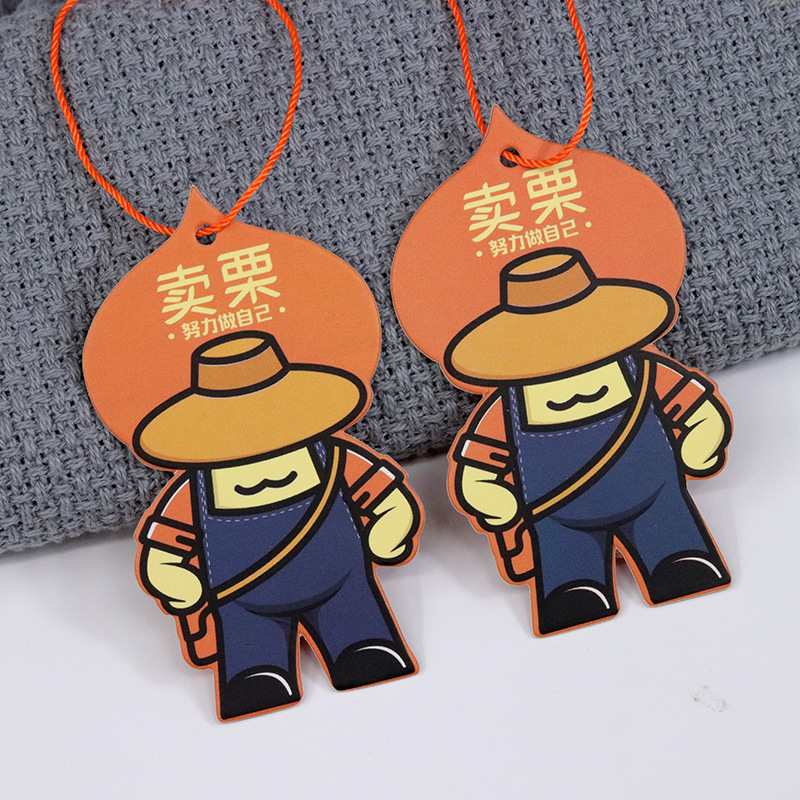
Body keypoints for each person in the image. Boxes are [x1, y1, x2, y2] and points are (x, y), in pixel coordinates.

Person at [132, 331, 422, 719]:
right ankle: (258, 673)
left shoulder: (333, 456)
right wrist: (174, 578)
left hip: (342, 588)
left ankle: (361, 646)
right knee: (255, 676)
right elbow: (166, 548)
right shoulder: (194, 489)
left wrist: (389, 527)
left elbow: (385, 495)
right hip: (245, 608)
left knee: (366, 650)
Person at [446, 247, 731, 636]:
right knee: (572, 589)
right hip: (560, 521)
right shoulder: (506, 407)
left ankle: (677, 558)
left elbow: (695, 407)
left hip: (656, 499)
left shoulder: (643, 370)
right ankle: (575, 589)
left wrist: (700, 442)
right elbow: (479, 465)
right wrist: (490, 496)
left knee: (680, 561)